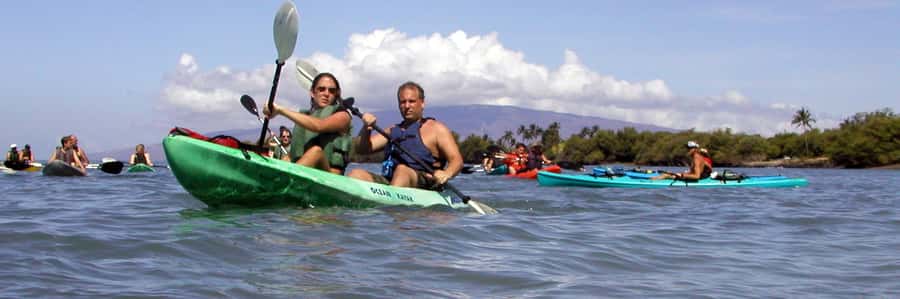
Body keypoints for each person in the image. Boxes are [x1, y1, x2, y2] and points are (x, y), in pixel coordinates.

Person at [348, 81, 463, 189]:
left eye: (411, 101)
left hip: (424, 184)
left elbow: (456, 160)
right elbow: (362, 149)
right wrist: (366, 129)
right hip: (392, 182)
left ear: (422, 103)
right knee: (356, 174)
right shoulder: (392, 131)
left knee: (402, 171)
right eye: (403, 102)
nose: (407, 106)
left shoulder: (437, 129)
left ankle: (390, 206)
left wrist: (447, 173)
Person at [263, 72, 352, 174]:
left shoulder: (343, 116)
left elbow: (319, 125)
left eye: (331, 91)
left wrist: (281, 110)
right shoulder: (306, 118)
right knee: (287, 158)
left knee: (316, 152)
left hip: (331, 176)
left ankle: (282, 182)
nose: (326, 94)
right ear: (312, 93)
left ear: (336, 94)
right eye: (321, 89)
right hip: (306, 171)